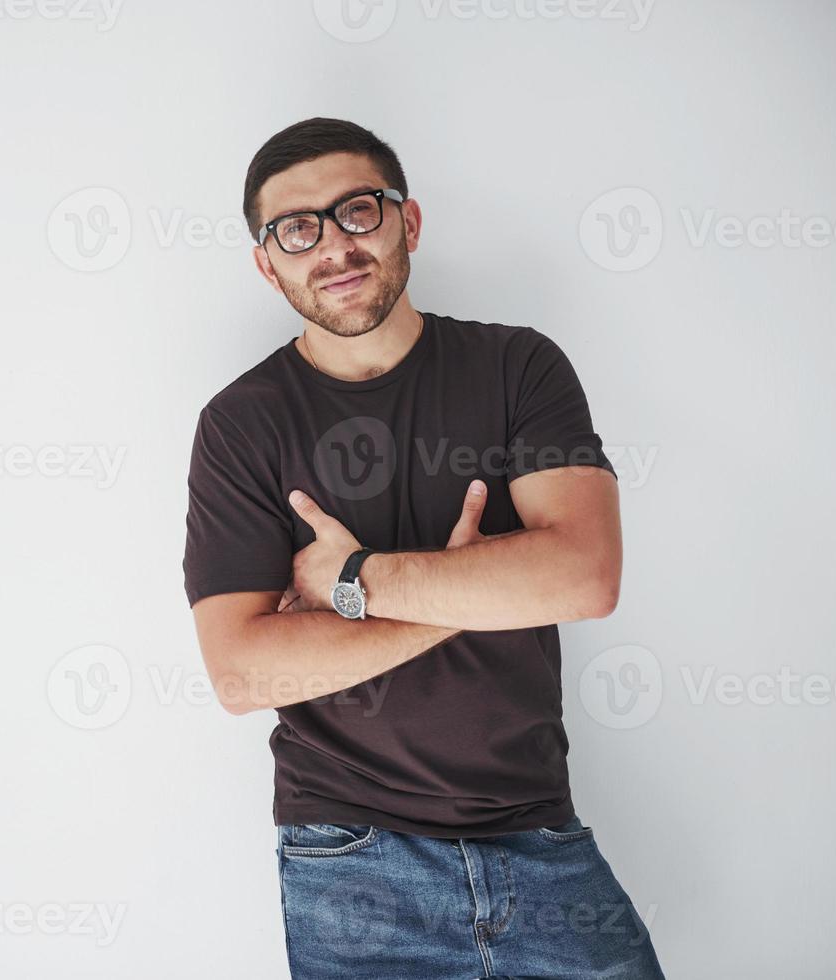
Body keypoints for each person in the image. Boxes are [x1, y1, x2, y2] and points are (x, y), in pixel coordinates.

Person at [181, 117, 666, 979]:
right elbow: (243, 673)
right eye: (297, 228)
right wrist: (483, 587)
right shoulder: (240, 425)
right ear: (268, 262)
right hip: (350, 862)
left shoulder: (518, 367)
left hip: (539, 832)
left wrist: (355, 581)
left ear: (407, 221)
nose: (332, 244)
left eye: (357, 210)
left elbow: (585, 576)